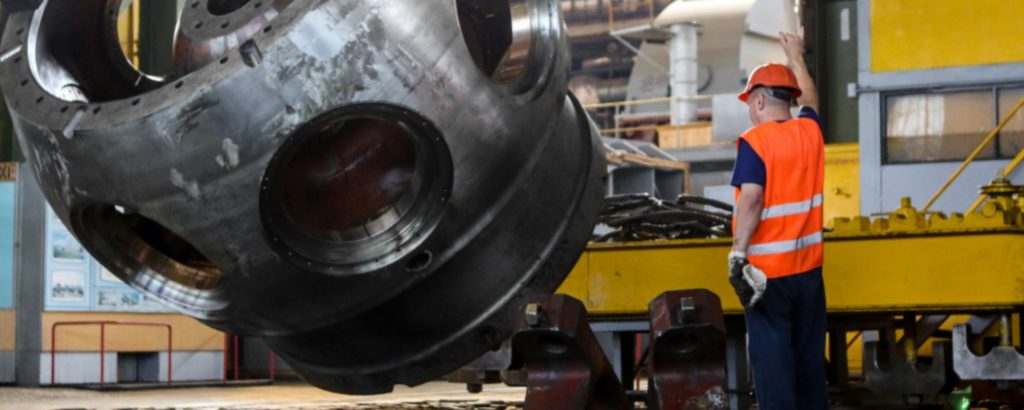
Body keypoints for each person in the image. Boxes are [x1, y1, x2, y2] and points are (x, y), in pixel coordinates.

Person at [727, 31, 827, 409]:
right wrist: (796, 56)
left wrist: (738, 254)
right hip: (809, 273)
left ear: (758, 99)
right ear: (791, 100)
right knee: (808, 365)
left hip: (767, 278)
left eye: (750, 103)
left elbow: (751, 200)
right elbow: (812, 102)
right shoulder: (811, 134)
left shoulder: (756, 141)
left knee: (774, 369)